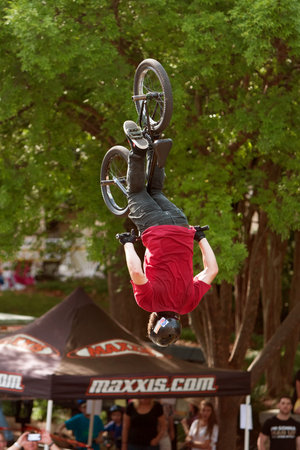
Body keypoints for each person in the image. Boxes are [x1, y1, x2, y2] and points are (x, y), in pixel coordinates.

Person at [116, 122, 218, 347]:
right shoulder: (148, 302)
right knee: (136, 192)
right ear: (153, 323)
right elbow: (135, 271)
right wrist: (128, 244)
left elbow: (212, 270)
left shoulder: (188, 304)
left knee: (156, 191)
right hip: (155, 228)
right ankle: (138, 149)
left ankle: (157, 144)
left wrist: (200, 237)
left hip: (182, 226)